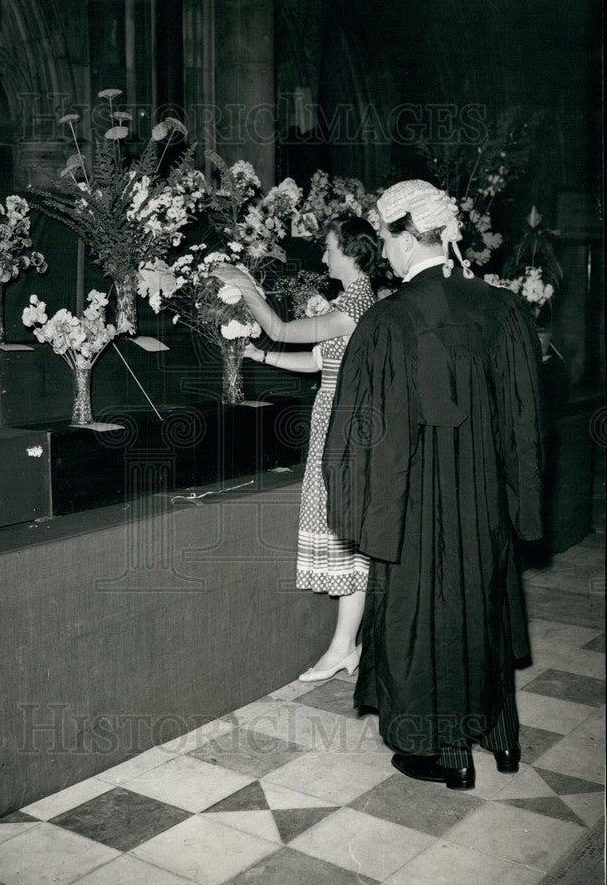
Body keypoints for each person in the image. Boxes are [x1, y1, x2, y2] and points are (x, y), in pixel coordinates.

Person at [323, 180, 543, 790]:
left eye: (385, 237)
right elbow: (526, 420)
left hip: (417, 504)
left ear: (403, 234)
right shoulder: (501, 308)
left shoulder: (390, 320)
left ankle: (442, 753)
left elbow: (360, 432)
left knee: (424, 620)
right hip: (484, 501)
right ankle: (499, 741)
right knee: (484, 607)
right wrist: (521, 507)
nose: (383, 252)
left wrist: (356, 511)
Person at [213, 218, 377, 681]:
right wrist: (257, 355)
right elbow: (317, 359)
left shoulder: (358, 302)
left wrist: (246, 285)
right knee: (342, 527)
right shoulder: (351, 300)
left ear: (350, 251)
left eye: (328, 249)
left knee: (345, 529)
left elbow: (282, 328)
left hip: (343, 420)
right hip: (332, 413)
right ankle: (347, 644)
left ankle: (344, 646)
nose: (324, 258)